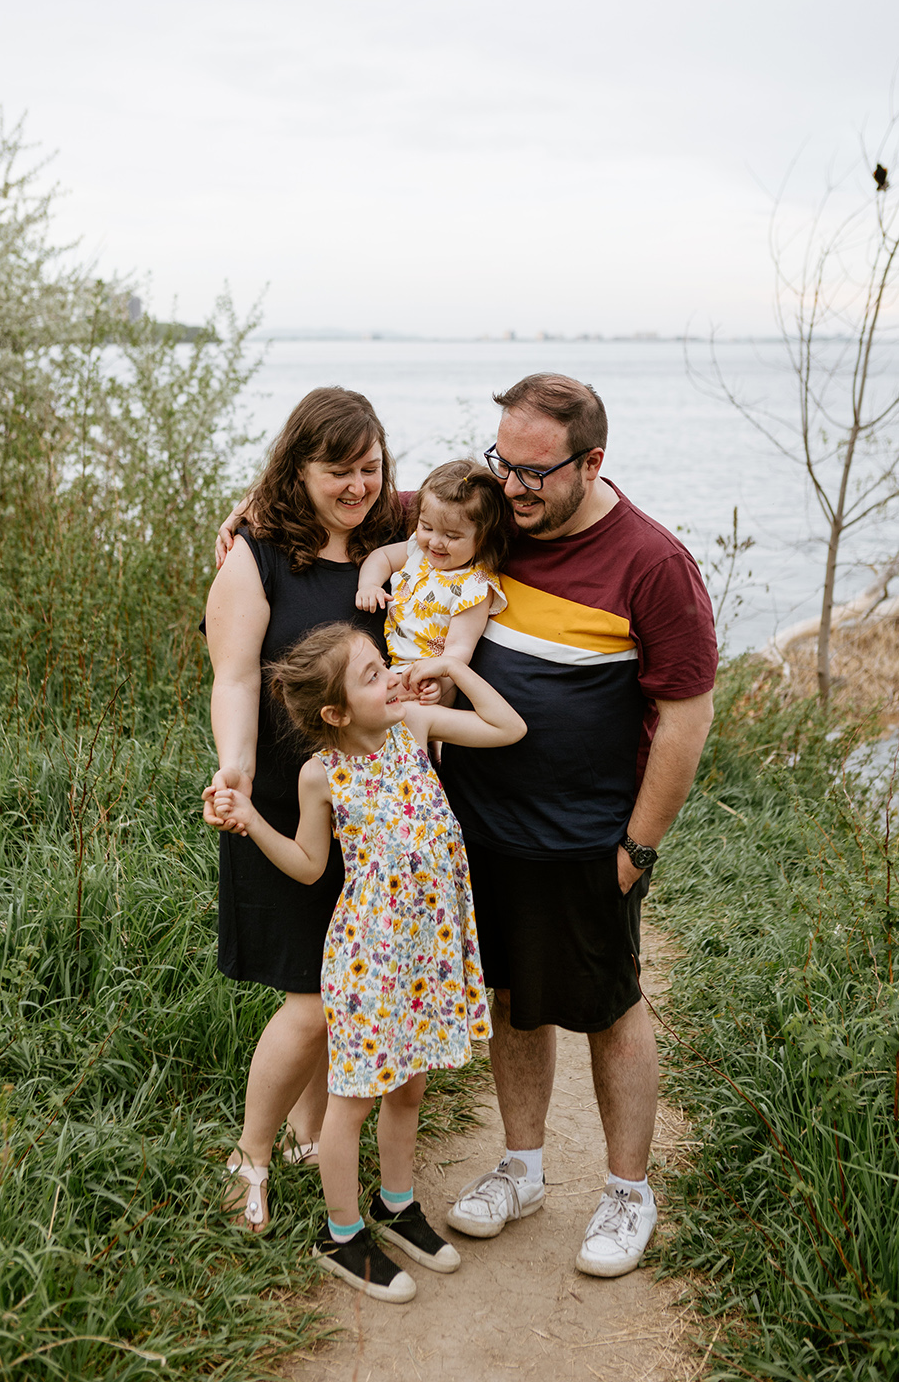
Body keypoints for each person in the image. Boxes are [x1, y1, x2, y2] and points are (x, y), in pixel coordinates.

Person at [436, 373, 718, 1278]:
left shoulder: (652, 563)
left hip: (587, 839)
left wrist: (636, 849)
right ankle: (521, 1172)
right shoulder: (493, 520)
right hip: (481, 827)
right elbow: (379, 495)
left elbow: (684, 720)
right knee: (513, 1001)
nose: (509, 489)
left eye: (532, 474)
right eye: (500, 465)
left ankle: (628, 1192)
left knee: (607, 1008)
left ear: (591, 462)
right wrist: (257, 507)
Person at [210, 623, 526, 1301]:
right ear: (335, 713)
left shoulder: (412, 724)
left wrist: (449, 667)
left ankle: (395, 1202)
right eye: (371, 675)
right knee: (351, 1101)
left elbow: (506, 728)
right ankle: (342, 1233)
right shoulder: (320, 775)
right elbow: (308, 865)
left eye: (385, 665)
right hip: (369, 956)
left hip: (429, 950)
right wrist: (250, 821)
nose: (390, 678)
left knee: (409, 1087)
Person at [202, 386, 402, 1232]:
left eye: (369, 467)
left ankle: (308, 1136)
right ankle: (248, 1155)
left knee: (341, 990)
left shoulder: (396, 535)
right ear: (298, 468)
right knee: (313, 997)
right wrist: (236, 768)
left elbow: (471, 500)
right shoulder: (257, 551)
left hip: (372, 811)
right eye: (336, 471)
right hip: (285, 801)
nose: (357, 485)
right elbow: (236, 674)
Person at [355, 459, 510, 697]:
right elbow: (382, 557)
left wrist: (440, 682)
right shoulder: (418, 549)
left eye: (452, 536)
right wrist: (369, 585)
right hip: (392, 667)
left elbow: (459, 649)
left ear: (483, 538)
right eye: (427, 527)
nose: (435, 542)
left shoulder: (475, 586)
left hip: (429, 679)